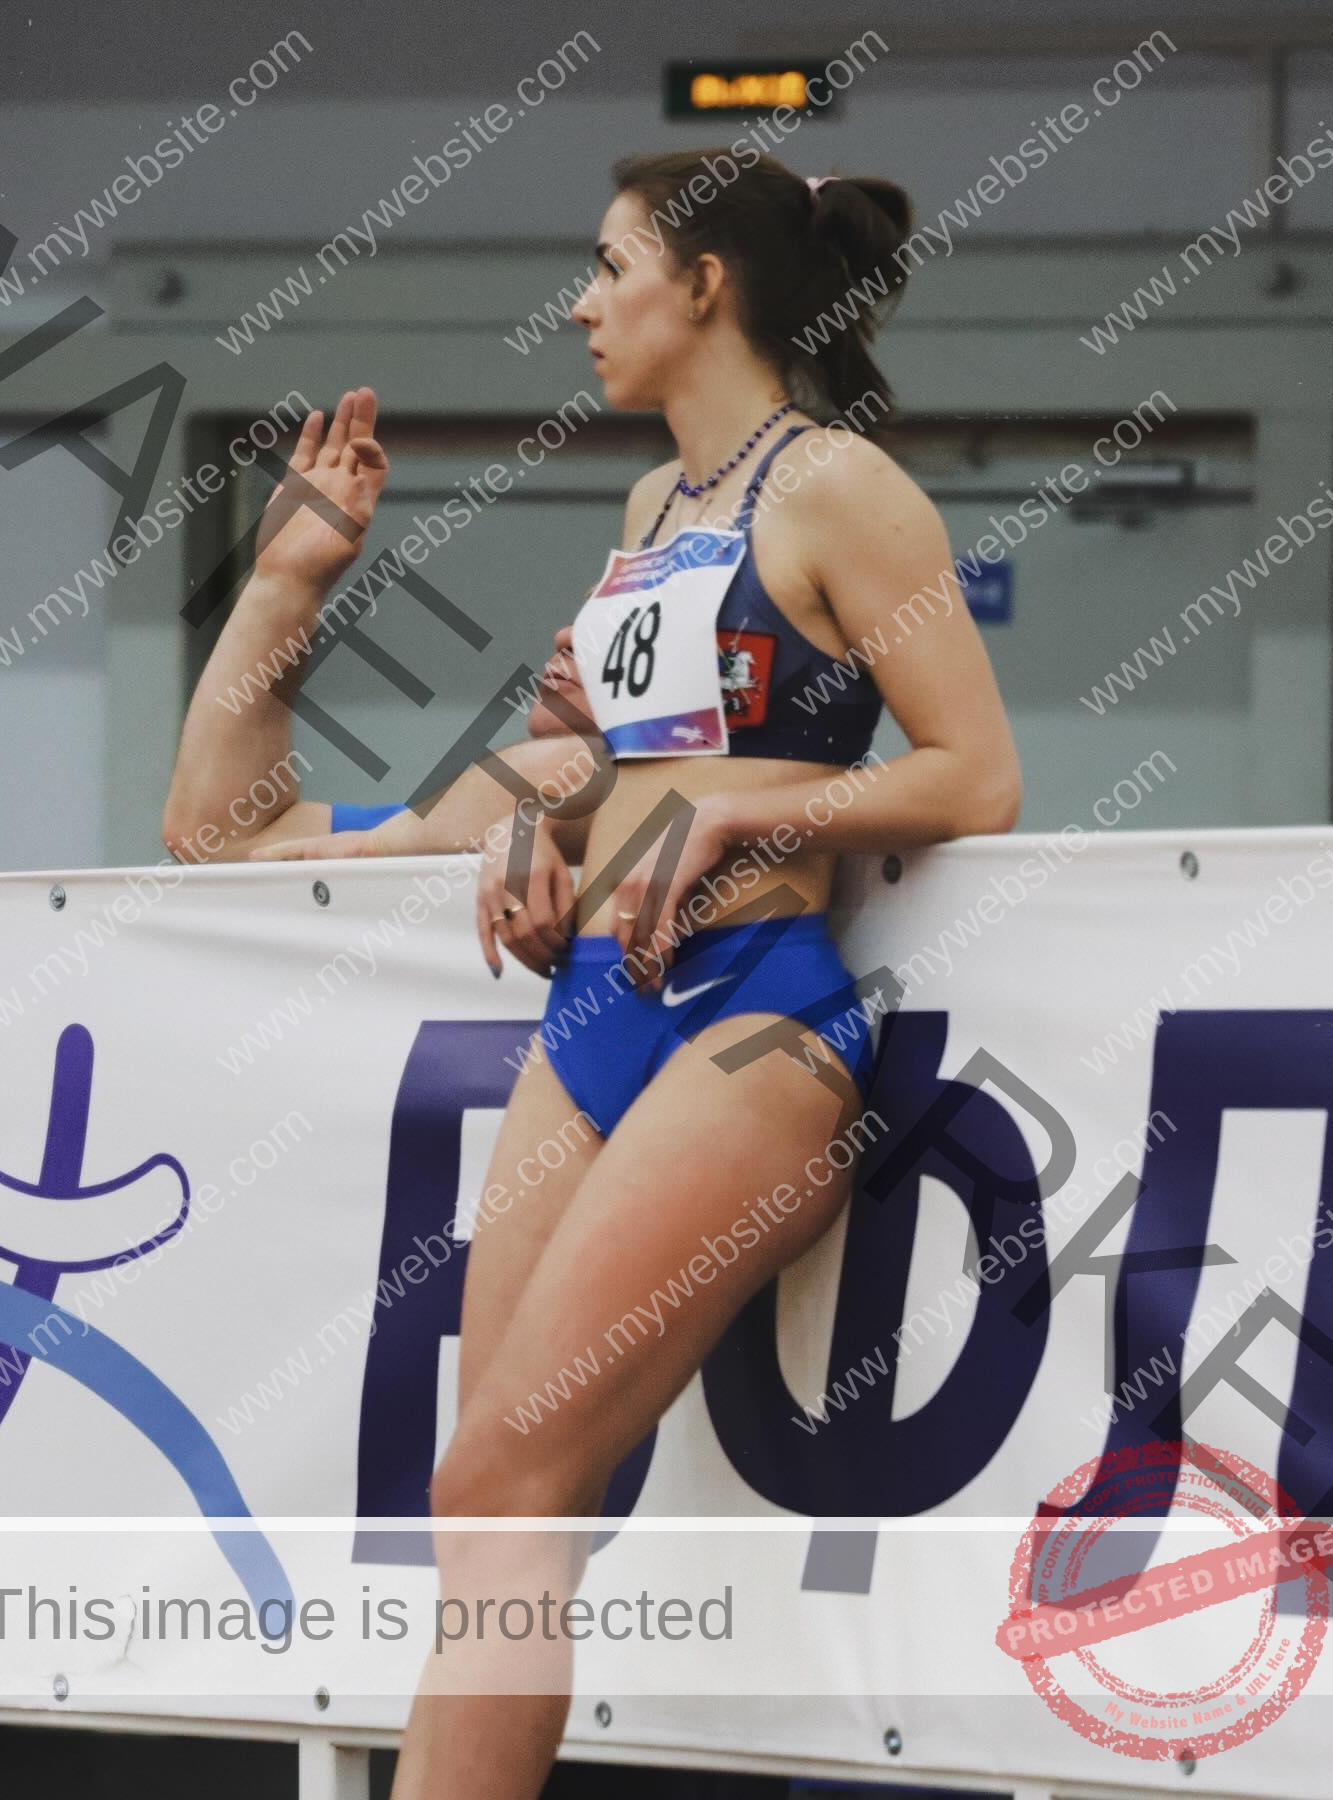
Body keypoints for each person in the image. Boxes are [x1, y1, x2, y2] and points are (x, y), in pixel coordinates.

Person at [385, 151, 1023, 1800]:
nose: (582, 305)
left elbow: (974, 774)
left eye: (607, 267)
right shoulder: (650, 509)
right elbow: (646, 765)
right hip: (593, 1005)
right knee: (483, 1502)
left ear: (707, 284)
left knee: (515, 1481)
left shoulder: (842, 488)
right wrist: (549, 814)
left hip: (753, 1017)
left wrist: (751, 803)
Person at [161, 387, 603, 867]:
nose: (567, 637)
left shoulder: (682, 808)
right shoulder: (437, 828)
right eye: (582, 617)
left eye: (615, 622)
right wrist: (284, 586)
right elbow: (216, 839)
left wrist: (377, 848)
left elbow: (550, 776)